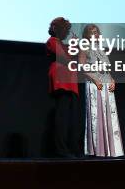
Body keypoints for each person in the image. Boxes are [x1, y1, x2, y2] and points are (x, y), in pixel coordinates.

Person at [79, 24, 124, 157]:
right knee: (97, 114)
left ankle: (111, 150)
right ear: (87, 35)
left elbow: (107, 69)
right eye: (92, 32)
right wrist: (94, 79)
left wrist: (112, 80)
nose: (96, 35)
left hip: (106, 84)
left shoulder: (101, 49)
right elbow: (82, 66)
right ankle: (98, 149)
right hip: (95, 84)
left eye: (97, 32)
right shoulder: (85, 47)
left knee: (110, 116)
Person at [46, 17, 81, 158]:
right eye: (65, 29)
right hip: (61, 80)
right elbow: (65, 58)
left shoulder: (62, 43)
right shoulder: (52, 42)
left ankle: (71, 148)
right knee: (62, 116)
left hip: (70, 81)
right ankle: (61, 150)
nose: (67, 32)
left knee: (70, 118)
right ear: (56, 28)